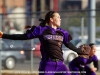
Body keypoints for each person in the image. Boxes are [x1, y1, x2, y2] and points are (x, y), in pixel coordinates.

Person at [0, 11, 86, 75]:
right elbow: (23, 37)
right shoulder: (42, 30)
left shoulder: (62, 32)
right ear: (51, 19)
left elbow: (68, 44)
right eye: (58, 17)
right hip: (47, 64)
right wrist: (4, 35)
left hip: (60, 65)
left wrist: (79, 51)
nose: (60, 19)